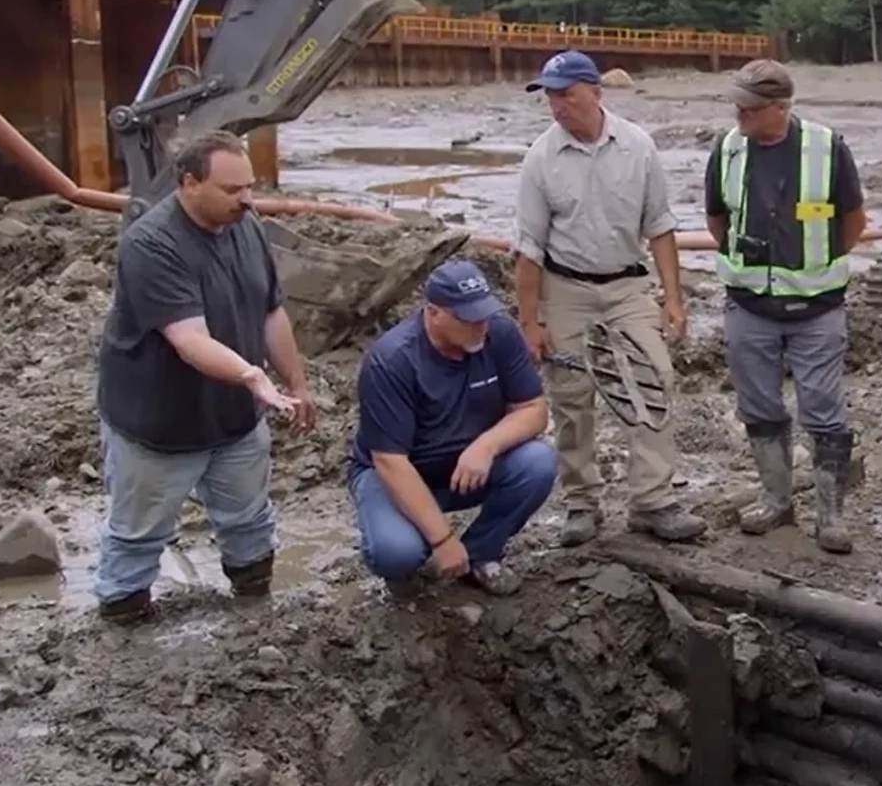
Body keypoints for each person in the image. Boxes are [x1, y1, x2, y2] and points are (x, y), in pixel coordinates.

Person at [92, 129, 315, 624]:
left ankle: (255, 614)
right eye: (232, 190)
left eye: (249, 186)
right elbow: (188, 338)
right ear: (189, 183)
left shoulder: (247, 227)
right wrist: (253, 377)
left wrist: (295, 383)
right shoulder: (150, 244)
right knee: (137, 536)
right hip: (158, 424)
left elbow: (270, 312)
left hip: (234, 416)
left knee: (250, 523)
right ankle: (124, 633)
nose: (248, 200)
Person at [512, 49, 706, 546]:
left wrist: (673, 299)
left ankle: (652, 500)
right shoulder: (541, 157)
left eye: (566, 94)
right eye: (550, 97)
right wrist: (530, 321)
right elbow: (528, 249)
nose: (557, 106)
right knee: (573, 397)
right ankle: (582, 503)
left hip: (626, 285)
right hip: (565, 288)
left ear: (595, 93)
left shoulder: (637, 146)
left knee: (654, 378)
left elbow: (660, 227)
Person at [704, 60, 867, 553]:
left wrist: (813, 264)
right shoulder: (729, 149)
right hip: (750, 306)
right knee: (759, 406)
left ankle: (830, 515)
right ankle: (777, 499)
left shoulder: (826, 147)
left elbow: (853, 222)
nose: (740, 113)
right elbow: (717, 220)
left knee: (824, 407)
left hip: (817, 307)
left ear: (780, 107)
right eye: (737, 103)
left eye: (750, 107)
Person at [347, 260, 557, 596]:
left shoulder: (498, 334)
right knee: (396, 552)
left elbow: (533, 411)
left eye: (485, 315)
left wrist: (485, 446)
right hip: (397, 473)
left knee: (538, 462)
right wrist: (442, 538)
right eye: (468, 319)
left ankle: (478, 555)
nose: (480, 327)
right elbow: (390, 461)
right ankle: (413, 568)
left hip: (466, 469)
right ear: (433, 313)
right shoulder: (392, 360)